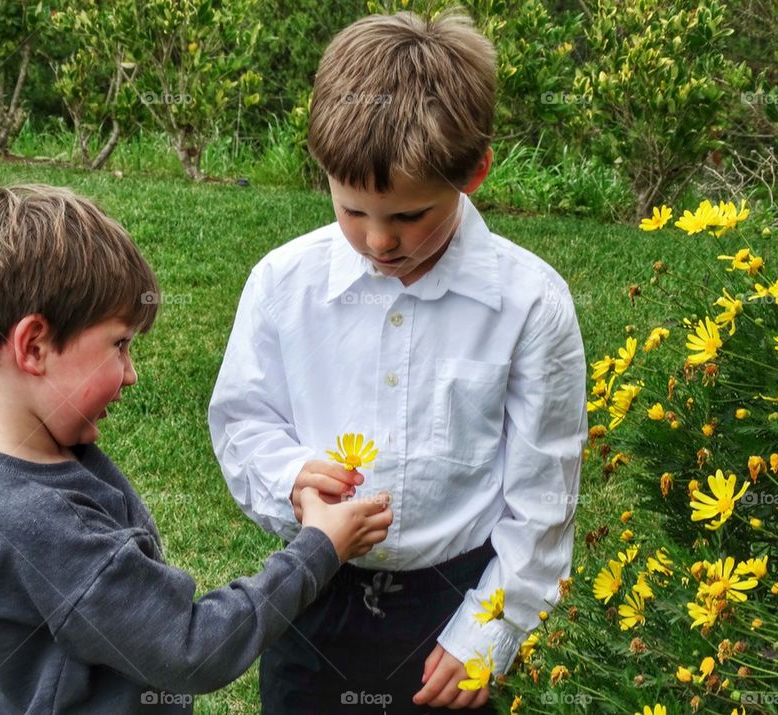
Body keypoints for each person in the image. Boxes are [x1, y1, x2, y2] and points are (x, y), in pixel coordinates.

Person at [208, 8, 588, 714]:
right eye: (353, 210)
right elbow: (243, 420)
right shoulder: (282, 284)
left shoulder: (529, 303)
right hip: (313, 590)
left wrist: (494, 623)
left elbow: (543, 491)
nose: (378, 240)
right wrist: (292, 480)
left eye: (410, 216)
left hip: (454, 604)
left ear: (474, 172)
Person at [0, 184, 393, 714]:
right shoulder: (44, 524)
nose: (132, 374)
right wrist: (318, 546)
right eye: (120, 344)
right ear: (34, 346)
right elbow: (192, 648)